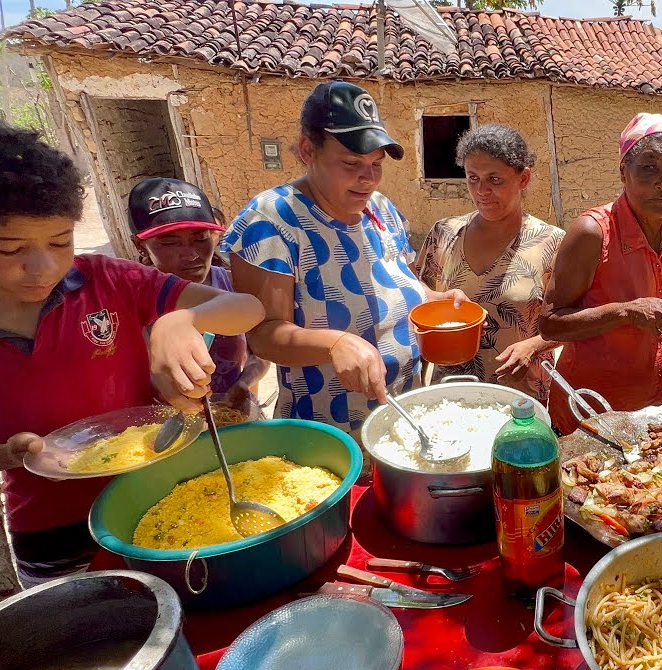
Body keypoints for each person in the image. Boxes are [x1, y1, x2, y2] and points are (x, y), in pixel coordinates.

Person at [0, 116, 265, 586]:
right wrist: (5, 454)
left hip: (157, 495)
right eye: (9, 250)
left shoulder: (109, 282)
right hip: (52, 531)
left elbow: (246, 307)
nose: (42, 267)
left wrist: (182, 318)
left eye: (60, 242)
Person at [222, 81, 468, 437]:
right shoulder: (271, 222)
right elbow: (263, 335)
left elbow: (399, 281)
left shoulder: (380, 209)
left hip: (403, 415)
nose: (367, 178)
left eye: (375, 164)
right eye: (351, 163)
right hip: (328, 430)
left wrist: (435, 300)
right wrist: (334, 343)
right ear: (308, 150)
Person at [540, 113, 662, 434]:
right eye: (649, 167)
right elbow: (551, 322)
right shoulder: (593, 232)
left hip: (657, 407)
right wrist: (625, 311)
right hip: (592, 413)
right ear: (624, 171)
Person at [414, 125, 564, 402]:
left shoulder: (551, 243)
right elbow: (414, 290)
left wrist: (533, 346)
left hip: (521, 394)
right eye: (473, 178)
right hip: (450, 392)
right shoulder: (444, 234)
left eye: (495, 179)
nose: (482, 190)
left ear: (524, 178)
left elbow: (573, 319)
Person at [128, 177, 270, 414]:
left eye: (200, 239)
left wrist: (244, 383)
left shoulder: (232, 286)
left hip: (233, 419)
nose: (191, 254)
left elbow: (260, 353)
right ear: (140, 245)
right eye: (170, 242)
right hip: (166, 431)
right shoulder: (131, 299)